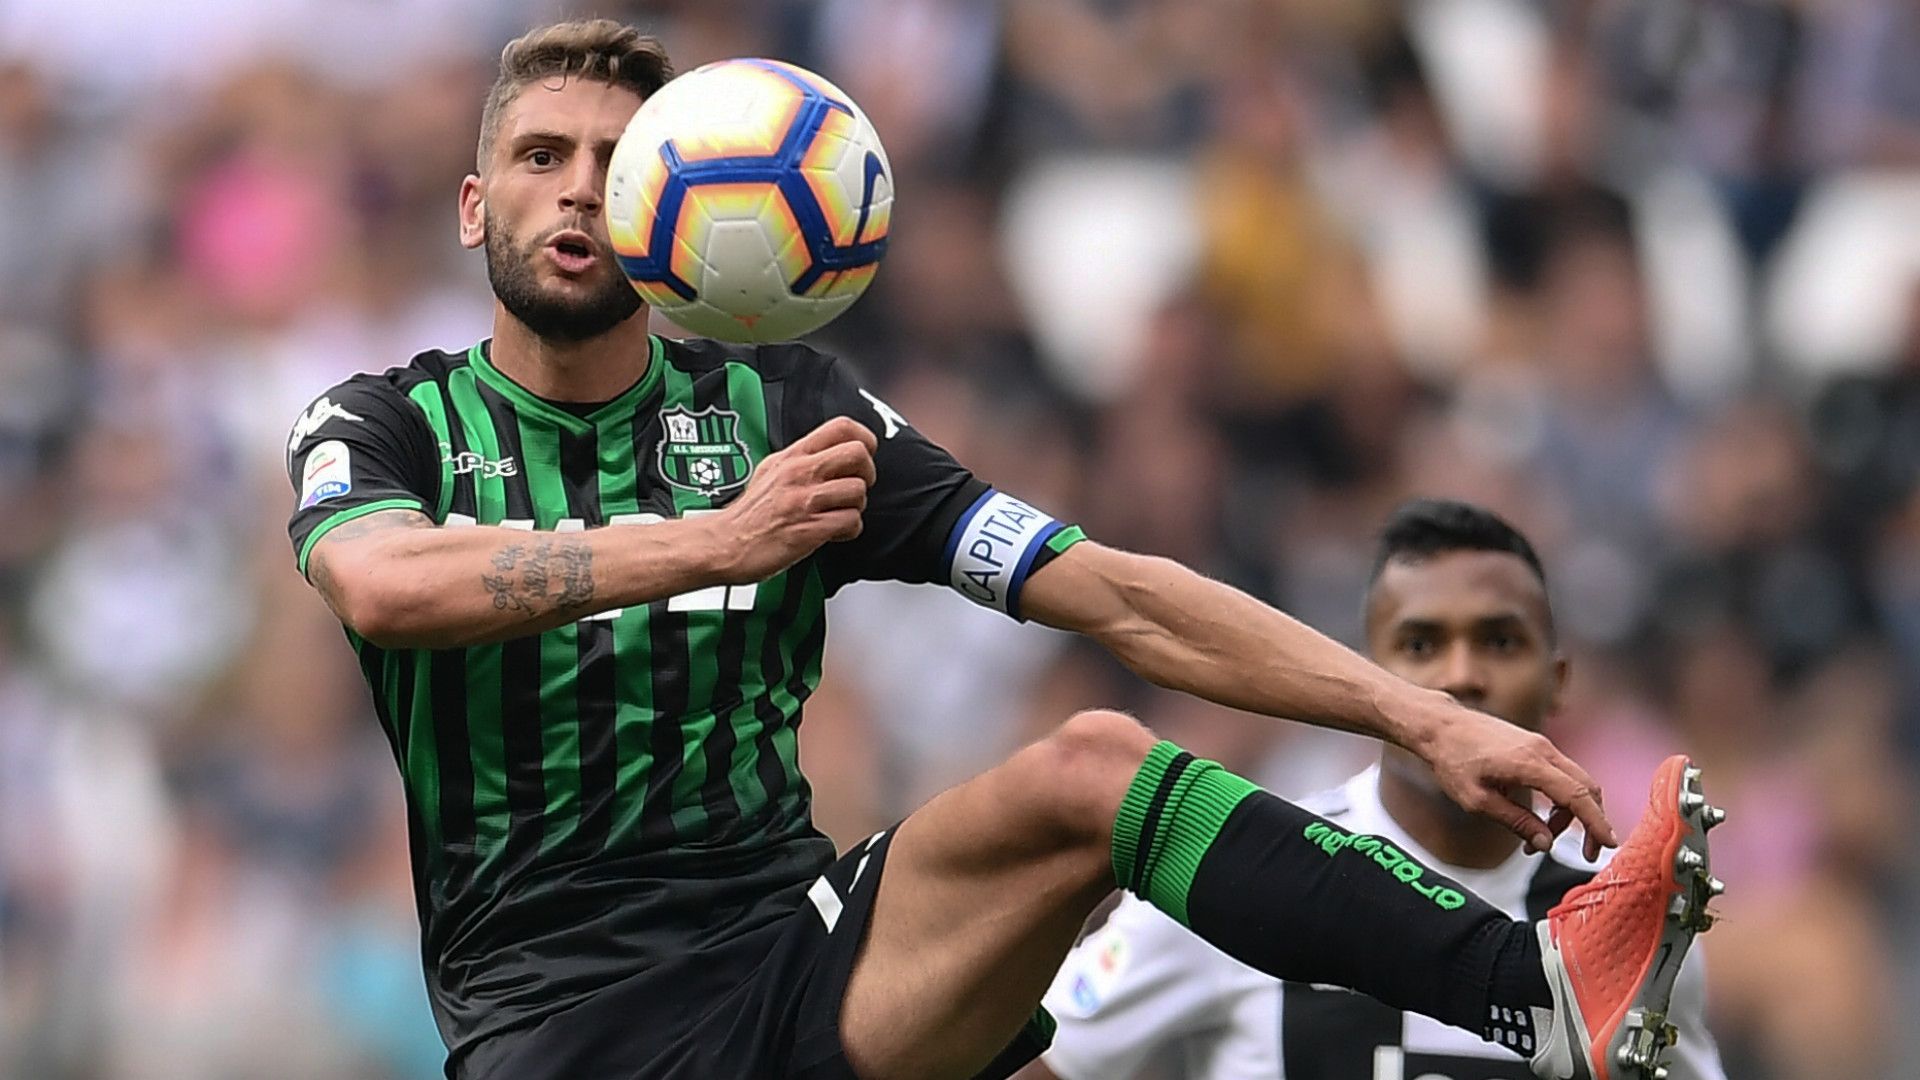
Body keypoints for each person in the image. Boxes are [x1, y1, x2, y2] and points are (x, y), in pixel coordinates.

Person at [283, 20, 1722, 1080]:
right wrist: (715, 541)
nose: (578, 189)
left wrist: (1419, 714)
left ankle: (1539, 990)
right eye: (541, 158)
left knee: (1096, 767)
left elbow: (1112, 592)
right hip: (564, 1026)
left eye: (615, 159)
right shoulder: (389, 420)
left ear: (672, 196)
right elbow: (383, 585)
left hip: (794, 945)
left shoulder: (785, 412)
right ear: (479, 205)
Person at [1030, 499, 1727, 1080]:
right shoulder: (1246, 869)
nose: (1461, 676)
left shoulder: (1626, 921)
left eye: (1501, 642)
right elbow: (1046, 1063)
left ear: (1559, 682)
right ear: (1363, 682)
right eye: (1420, 646)